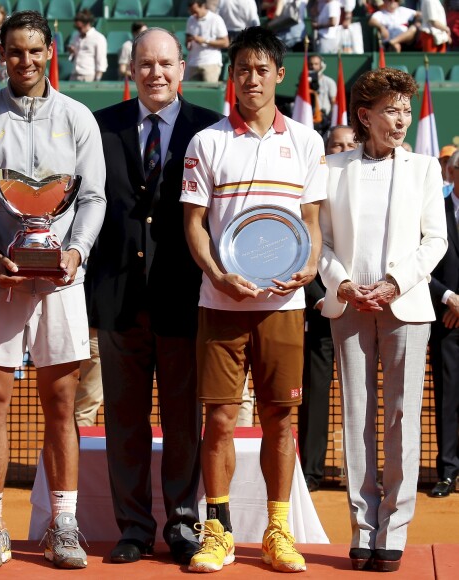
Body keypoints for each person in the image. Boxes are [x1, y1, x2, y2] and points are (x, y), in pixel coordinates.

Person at [0, 10, 106, 570]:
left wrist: (75, 251)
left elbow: (91, 199)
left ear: (51, 53)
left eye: (34, 51)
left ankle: (63, 526)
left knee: (61, 404)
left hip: (63, 281)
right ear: (1, 54)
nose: (25, 61)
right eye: (14, 52)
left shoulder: (78, 117)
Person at [181, 26, 327, 573]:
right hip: (220, 303)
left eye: (262, 69)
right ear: (231, 77)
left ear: (279, 75)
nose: (252, 79)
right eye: (242, 69)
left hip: (283, 309)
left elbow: (311, 226)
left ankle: (277, 530)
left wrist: (310, 266)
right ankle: (216, 531)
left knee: (280, 422)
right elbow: (193, 224)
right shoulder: (208, 142)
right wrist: (217, 273)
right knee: (218, 419)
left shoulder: (307, 142)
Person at [86, 27, 222, 566]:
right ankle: (135, 528)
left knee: (184, 419)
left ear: (182, 69)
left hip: (185, 299)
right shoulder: (100, 129)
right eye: (145, 64)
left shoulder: (209, 130)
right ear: (131, 70)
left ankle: (184, 523)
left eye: (166, 63)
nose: (156, 73)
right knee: (124, 420)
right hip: (118, 300)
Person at [318, 67, 447, 572]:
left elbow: (434, 241)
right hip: (348, 305)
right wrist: (342, 283)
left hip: (406, 305)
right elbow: (320, 241)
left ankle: (394, 527)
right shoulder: (331, 168)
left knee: (400, 419)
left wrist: (395, 282)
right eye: (391, 110)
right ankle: (362, 527)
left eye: (405, 110)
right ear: (364, 116)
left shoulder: (424, 168)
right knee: (355, 416)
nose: (401, 119)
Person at [299, 124, 358, 493]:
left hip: (366, 305)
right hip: (321, 308)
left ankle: (362, 476)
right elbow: (303, 244)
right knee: (315, 394)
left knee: (362, 395)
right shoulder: (311, 186)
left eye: (351, 143)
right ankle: (310, 473)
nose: (344, 148)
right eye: (337, 144)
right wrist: (320, 296)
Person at [428, 149, 459, 498]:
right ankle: (448, 472)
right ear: (451, 173)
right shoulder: (435, 212)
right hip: (446, 323)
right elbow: (423, 264)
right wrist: (450, 299)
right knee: (447, 398)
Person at [185, 0, 229, 82]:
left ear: (202, 6)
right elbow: (187, 41)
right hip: (193, 62)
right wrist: (189, 42)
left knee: (209, 92)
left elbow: (225, 43)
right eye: (191, 12)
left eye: (195, 11)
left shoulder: (216, 19)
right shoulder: (190, 19)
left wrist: (205, 41)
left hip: (211, 63)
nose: (193, 14)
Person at [67, 9, 108, 81]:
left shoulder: (98, 38)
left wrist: (97, 79)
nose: (78, 30)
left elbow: (101, 61)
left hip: (88, 76)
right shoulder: (76, 36)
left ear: (87, 24)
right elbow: (73, 57)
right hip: (74, 74)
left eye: (80, 28)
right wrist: (72, 52)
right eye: (76, 28)